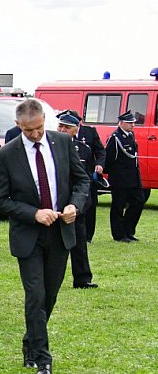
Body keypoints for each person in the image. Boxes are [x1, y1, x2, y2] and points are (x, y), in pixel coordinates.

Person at [0, 99, 89, 374]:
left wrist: (74, 205)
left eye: (38, 128)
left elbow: (81, 181)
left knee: (50, 295)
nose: (34, 134)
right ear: (18, 125)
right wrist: (33, 213)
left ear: (45, 119)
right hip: (29, 235)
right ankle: (43, 359)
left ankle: (30, 342)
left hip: (60, 232)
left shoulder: (62, 142)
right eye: (28, 130)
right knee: (35, 296)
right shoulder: (5, 155)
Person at [56, 112, 98, 289]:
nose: (62, 130)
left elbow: (85, 178)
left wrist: (80, 203)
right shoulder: (48, 147)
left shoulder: (84, 149)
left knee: (79, 242)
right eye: (60, 126)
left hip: (75, 203)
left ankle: (82, 278)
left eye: (66, 127)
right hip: (54, 202)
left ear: (76, 130)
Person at [104, 110, 144, 243]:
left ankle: (128, 230)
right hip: (120, 179)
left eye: (133, 122)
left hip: (133, 178)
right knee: (118, 206)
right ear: (121, 123)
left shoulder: (131, 135)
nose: (133, 125)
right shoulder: (115, 138)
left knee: (139, 201)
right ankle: (119, 235)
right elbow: (109, 159)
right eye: (129, 123)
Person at [72, 111, 106, 242]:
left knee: (90, 205)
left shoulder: (90, 132)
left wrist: (99, 164)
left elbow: (100, 151)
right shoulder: (62, 134)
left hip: (88, 175)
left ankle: (88, 236)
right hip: (72, 175)